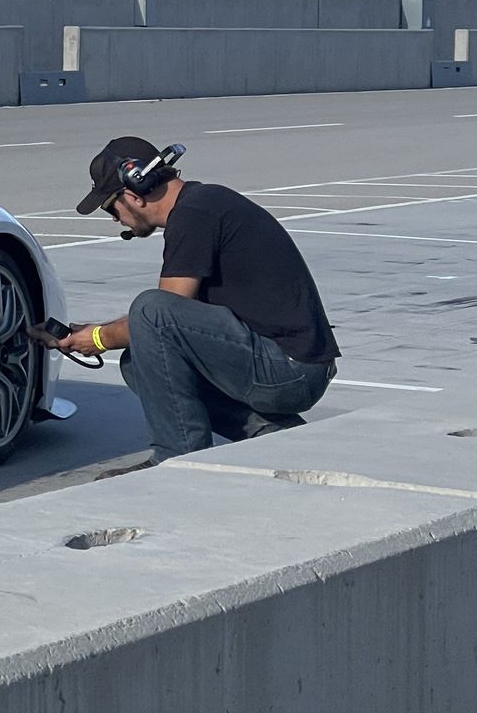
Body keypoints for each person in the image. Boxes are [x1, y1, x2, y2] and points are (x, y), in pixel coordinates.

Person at [56, 136, 338, 471]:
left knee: (149, 309)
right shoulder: (202, 203)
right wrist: (95, 332)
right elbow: (167, 325)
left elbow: (161, 312)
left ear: (133, 194)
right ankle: (272, 433)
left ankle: (177, 460)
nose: (116, 220)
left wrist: (100, 338)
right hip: (289, 363)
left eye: (111, 208)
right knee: (140, 362)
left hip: (289, 371)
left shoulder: (194, 214)